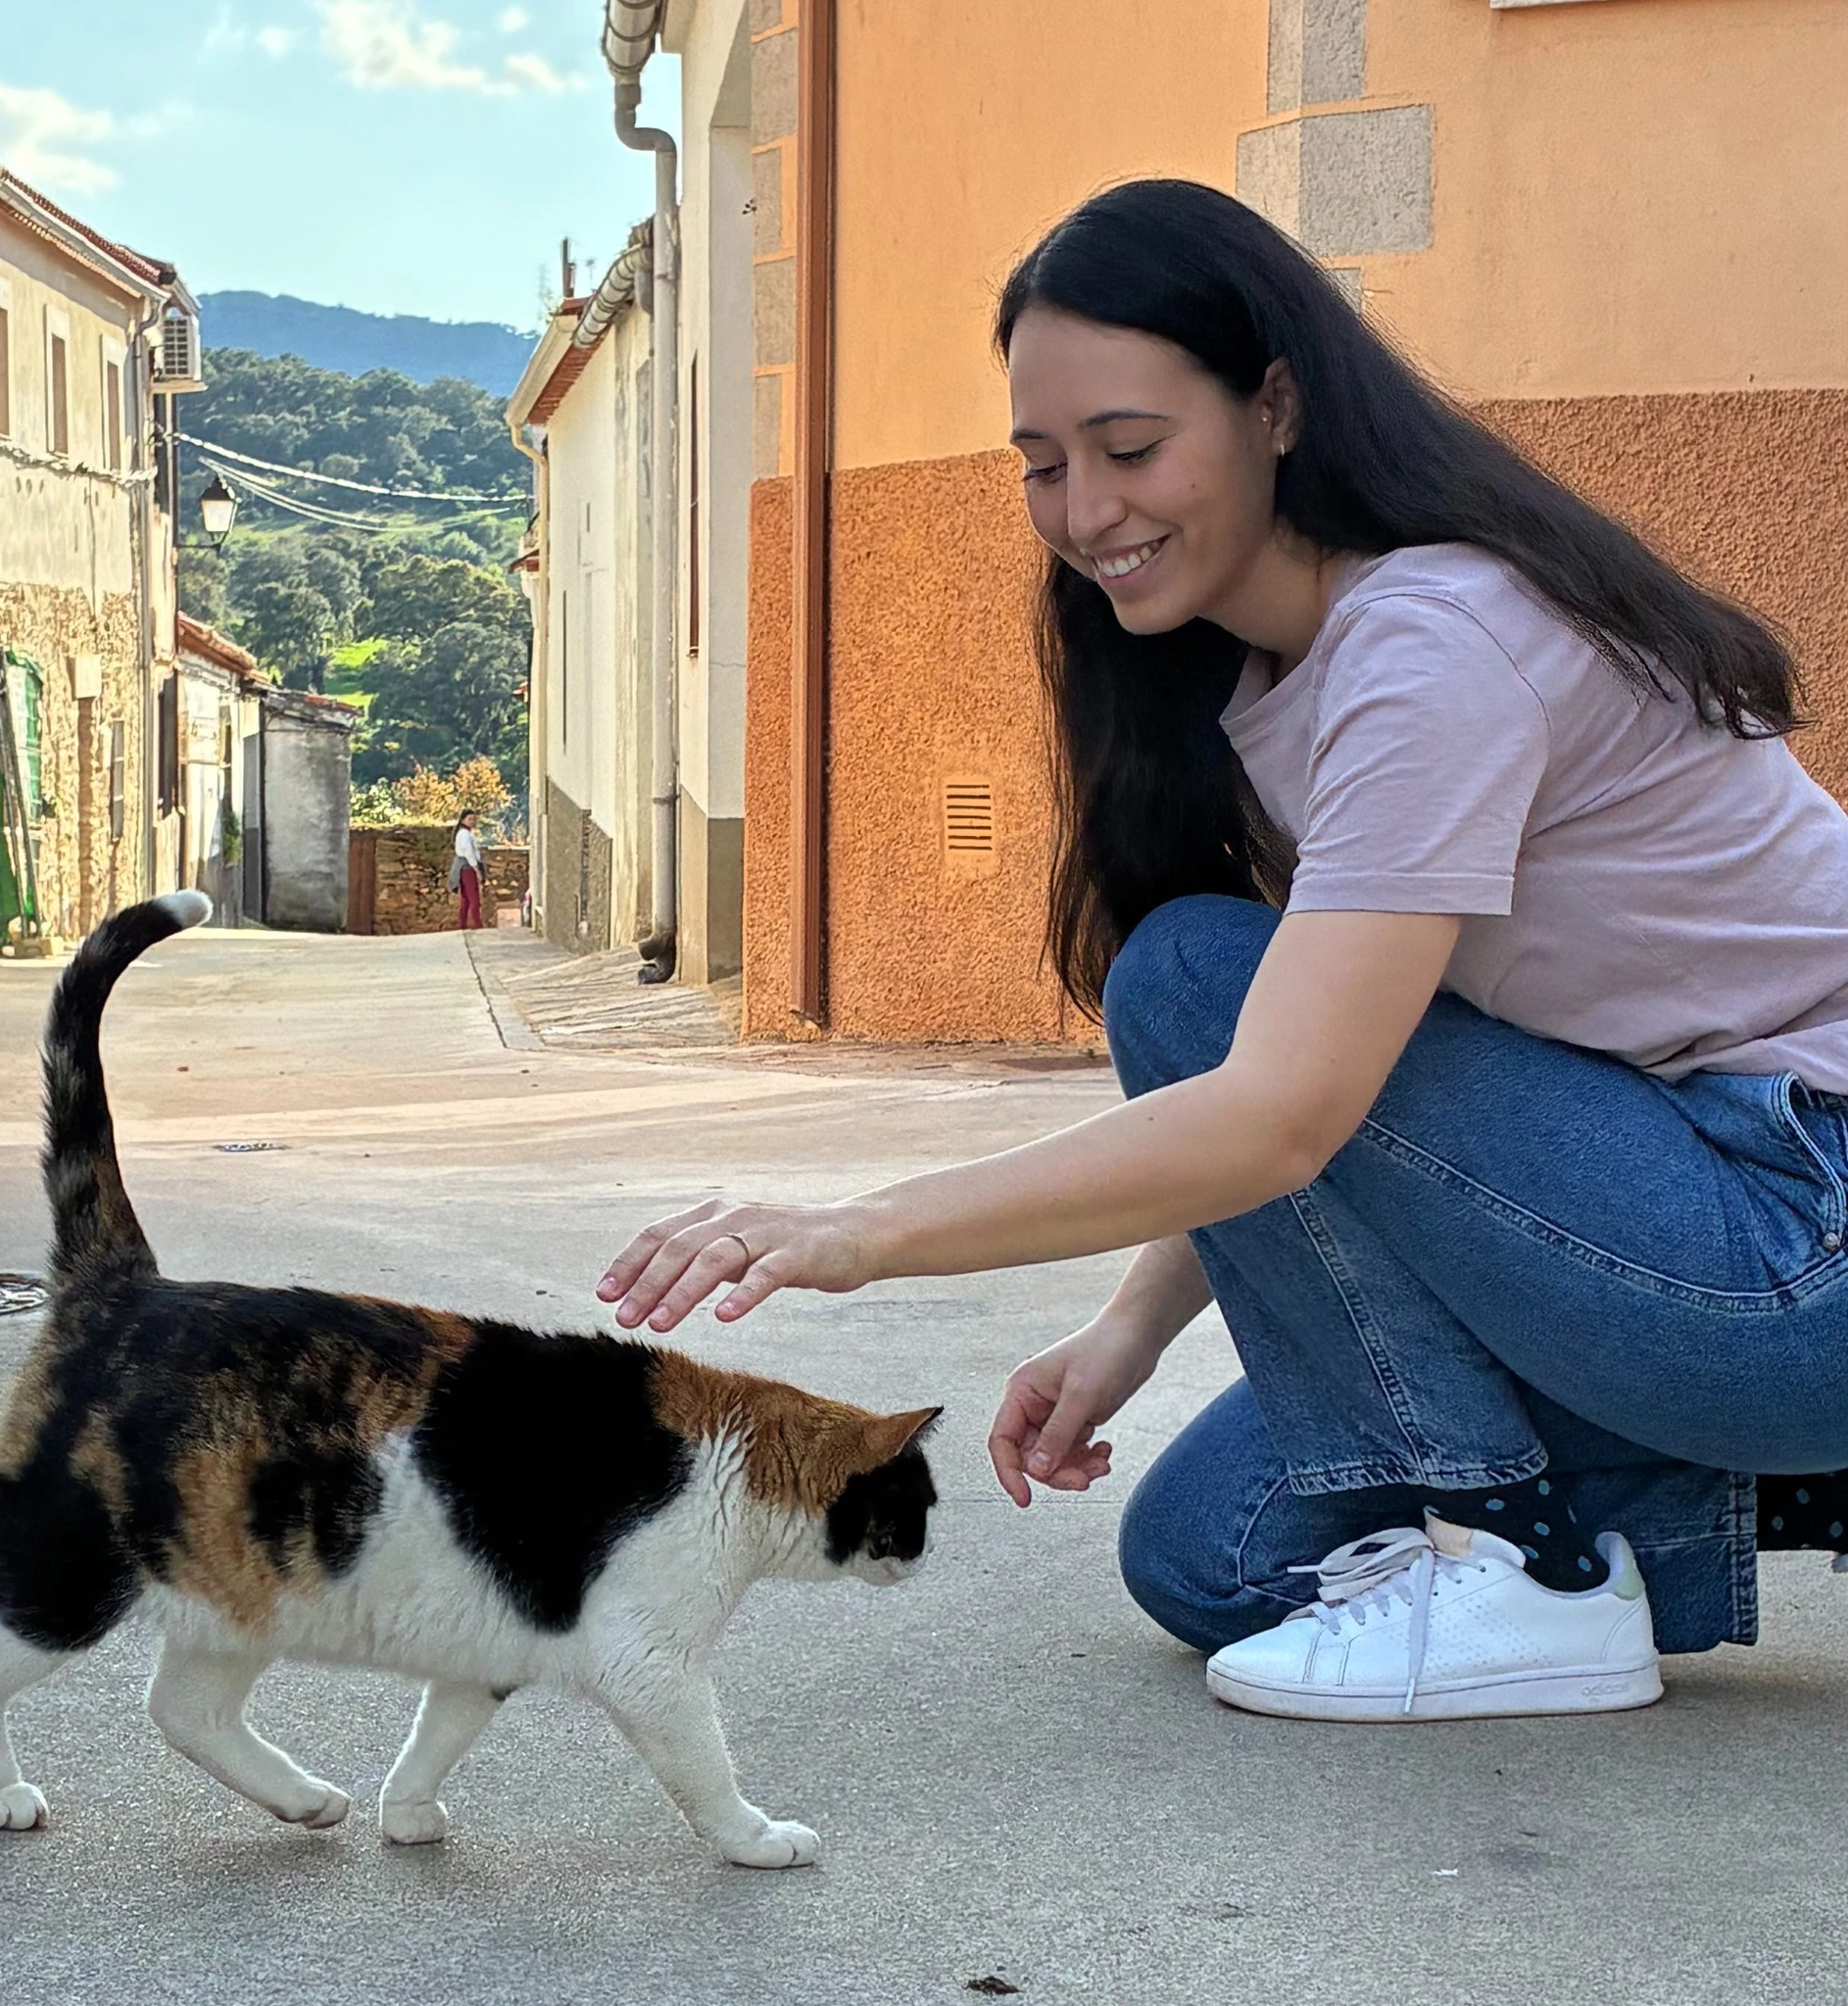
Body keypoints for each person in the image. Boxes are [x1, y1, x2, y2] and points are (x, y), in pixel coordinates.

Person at [597, 179, 1848, 1723]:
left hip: (1800, 1223)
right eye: (1043, 466)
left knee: (1193, 970)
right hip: (1657, 1208)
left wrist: (859, 1227)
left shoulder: (1432, 643)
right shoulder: (1258, 679)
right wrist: (1126, 1325)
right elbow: (1357, 1088)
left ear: (1274, 404)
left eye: (1130, 448)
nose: (1085, 511)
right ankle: (1727, 1498)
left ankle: (1530, 1563)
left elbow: (1281, 1103)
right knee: (1216, 1560)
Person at [452, 810, 484, 931]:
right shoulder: (464, 834)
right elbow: (469, 853)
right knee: (473, 898)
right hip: (467, 868)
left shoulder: (464, 833)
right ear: (463, 820)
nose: (472, 822)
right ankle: (478, 925)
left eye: (473, 819)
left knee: (466, 898)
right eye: (469, 819)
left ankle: (463, 925)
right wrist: (477, 870)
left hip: (465, 868)